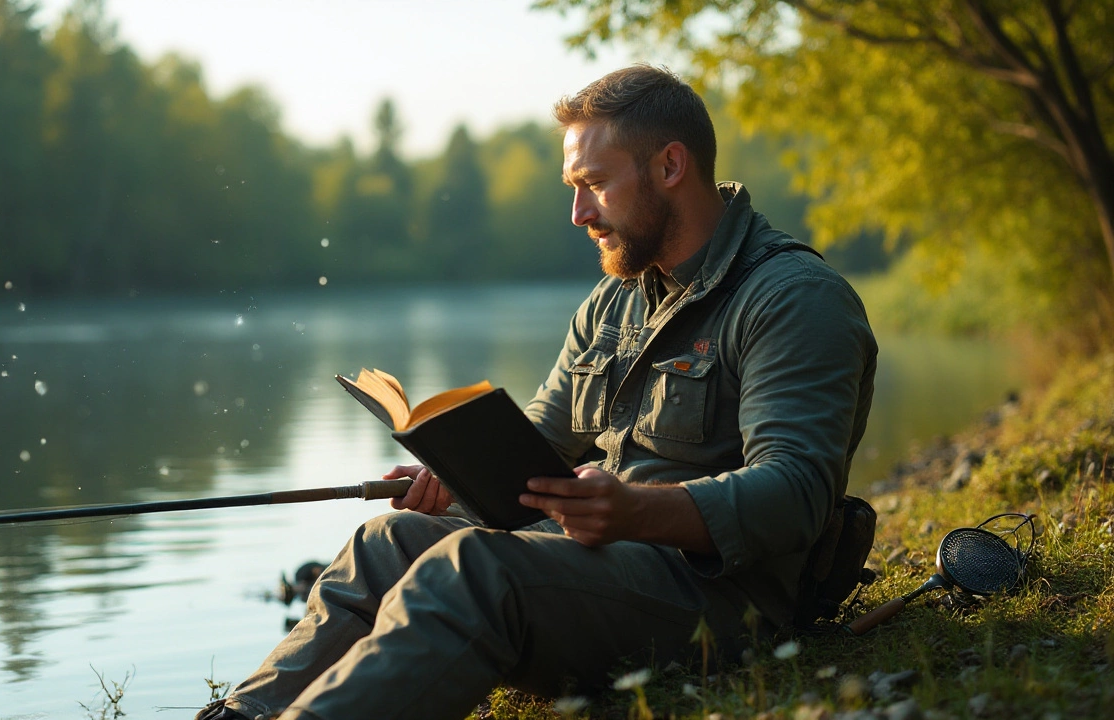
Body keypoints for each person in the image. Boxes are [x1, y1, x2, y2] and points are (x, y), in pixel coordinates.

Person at [197, 64, 877, 720]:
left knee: (474, 567)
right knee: (388, 540)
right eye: (572, 187)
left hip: (721, 598)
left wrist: (636, 512)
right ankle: (239, 715)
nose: (578, 212)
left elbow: (797, 494)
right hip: (602, 565)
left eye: (595, 185)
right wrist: (452, 476)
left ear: (670, 167)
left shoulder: (793, 299)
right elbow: (541, 439)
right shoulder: (613, 303)